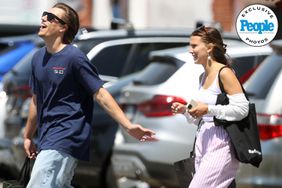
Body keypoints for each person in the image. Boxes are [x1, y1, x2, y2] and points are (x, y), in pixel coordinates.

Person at [23, 3, 156, 188]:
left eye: (51, 17)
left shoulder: (74, 58)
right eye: (45, 14)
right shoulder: (38, 58)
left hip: (67, 135)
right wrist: (28, 136)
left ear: (63, 27)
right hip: (46, 137)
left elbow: (100, 93)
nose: (44, 18)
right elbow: (36, 100)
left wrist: (127, 125)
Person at [171, 26, 249, 188]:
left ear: (209, 47)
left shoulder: (225, 73)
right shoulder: (203, 76)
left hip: (221, 144)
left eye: (194, 46)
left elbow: (242, 109)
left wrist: (208, 109)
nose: (190, 50)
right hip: (202, 141)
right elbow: (198, 118)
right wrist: (185, 110)